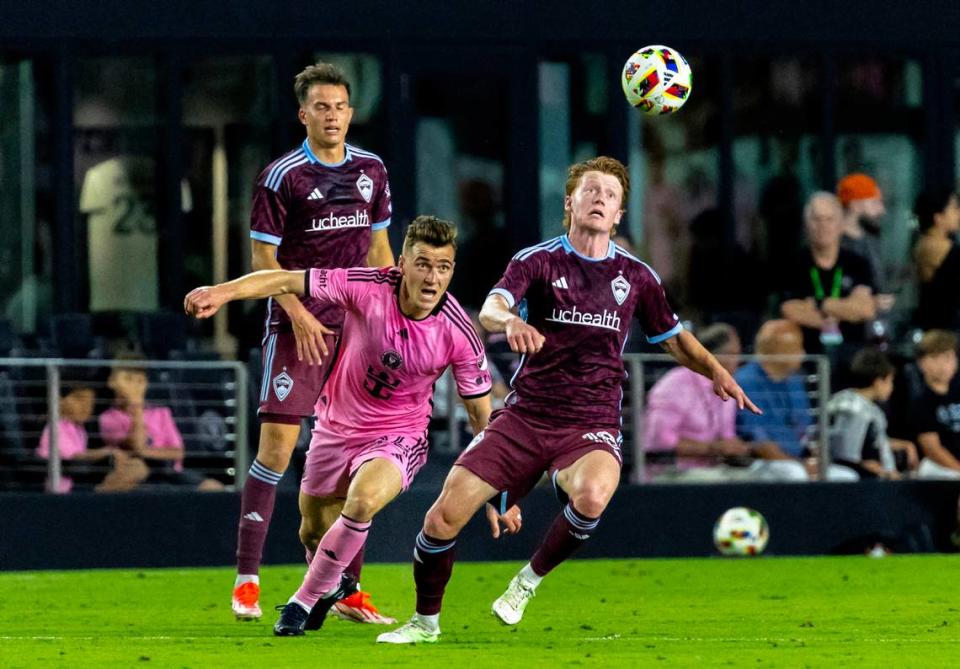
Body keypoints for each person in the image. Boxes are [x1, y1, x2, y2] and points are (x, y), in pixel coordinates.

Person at [376, 156, 760, 645]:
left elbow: (673, 337)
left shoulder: (636, 276)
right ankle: (424, 623)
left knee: (594, 495)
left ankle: (524, 584)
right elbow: (494, 306)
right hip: (526, 415)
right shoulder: (536, 260)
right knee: (442, 517)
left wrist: (716, 371)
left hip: (591, 420)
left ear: (619, 214)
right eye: (591, 190)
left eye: (611, 195)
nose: (600, 199)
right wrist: (511, 321)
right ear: (569, 203)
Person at [185, 216, 519, 636]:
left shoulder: (458, 331)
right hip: (335, 427)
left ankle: (300, 603)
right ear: (402, 263)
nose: (432, 277)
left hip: (400, 435)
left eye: (443, 267)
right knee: (311, 531)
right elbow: (287, 280)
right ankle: (334, 584)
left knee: (360, 503)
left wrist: (497, 489)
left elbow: (480, 416)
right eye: (423, 264)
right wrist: (222, 292)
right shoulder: (367, 285)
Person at [236, 61, 395, 621]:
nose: (332, 116)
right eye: (321, 107)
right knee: (276, 451)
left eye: (340, 106)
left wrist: (389, 317)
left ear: (352, 112)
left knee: (359, 458)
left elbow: (379, 251)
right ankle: (247, 579)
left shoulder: (372, 170)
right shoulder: (283, 176)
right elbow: (263, 261)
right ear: (303, 114)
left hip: (354, 328)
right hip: (296, 325)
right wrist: (295, 311)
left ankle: (348, 590)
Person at [642, 323, 805, 482]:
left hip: (716, 470)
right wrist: (713, 448)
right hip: (671, 473)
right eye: (733, 354)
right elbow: (659, 443)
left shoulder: (728, 386)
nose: (738, 361)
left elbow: (727, 437)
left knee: (771, 478)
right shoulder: (674, 384)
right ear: (711, 356)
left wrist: (738, 448)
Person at [734, 319, 856, 481]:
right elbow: (760, 444)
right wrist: (801, 465)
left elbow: (807, 430)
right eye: (798, 348)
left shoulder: (794, 380)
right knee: (795, 474)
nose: (803, 353)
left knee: (847, 477)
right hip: (760, 462)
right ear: (779, 352)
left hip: (797, 460)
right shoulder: (745, 381)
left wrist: (814, 461)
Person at [99, 354, 224, 492]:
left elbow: (177, 452)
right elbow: (137, 444)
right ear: (112, 382)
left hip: (170, 472)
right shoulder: (109, 418)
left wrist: (145, 452)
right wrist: (137, 409)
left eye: (140, 381)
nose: (134, 386)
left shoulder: (161, 413)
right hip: (140, 476)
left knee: (213, 487)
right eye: (128, 379)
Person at [779, 192, 876, 364]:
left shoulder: (857, 263)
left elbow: (865, 309)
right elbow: (790, 310)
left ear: (840, 225)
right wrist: (844, 310)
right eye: (816, 219)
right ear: (807, 225)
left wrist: (819, 304)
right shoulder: (793, 264)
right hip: (806, 358)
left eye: (829, 219)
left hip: (853, 357)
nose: (823, 226)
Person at [36, 374, 147, 493]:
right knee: (133, 470)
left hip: (80, 479)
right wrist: (108, 452)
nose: (86, 407)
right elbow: (74, 457)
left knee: (136, 467)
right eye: (80, 399)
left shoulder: (78, 428)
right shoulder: (55, 427)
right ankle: (97, 497)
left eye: (90, 402)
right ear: (59, 399)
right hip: (63, 488)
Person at [827, 348, 917, 480]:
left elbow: (872, 442)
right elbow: (849, 456)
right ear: (879, 382)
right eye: (890, 381)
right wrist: (888, 475)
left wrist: (906, 445)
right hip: (855, 481)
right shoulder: (856, 410)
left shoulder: (848, 401)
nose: (892, 387)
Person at [908, 330, 960, 479]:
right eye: (936, 357)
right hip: (938, 467)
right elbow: (932, 449)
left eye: (948, 357)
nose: (943, 365)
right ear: (922, 363)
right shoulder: (921, 403)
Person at [913, 189, 960, 332]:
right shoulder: (935, 246)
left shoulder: (924, 242)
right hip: (942, 331)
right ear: (938, 217)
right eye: (954, 208)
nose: (959, 213)